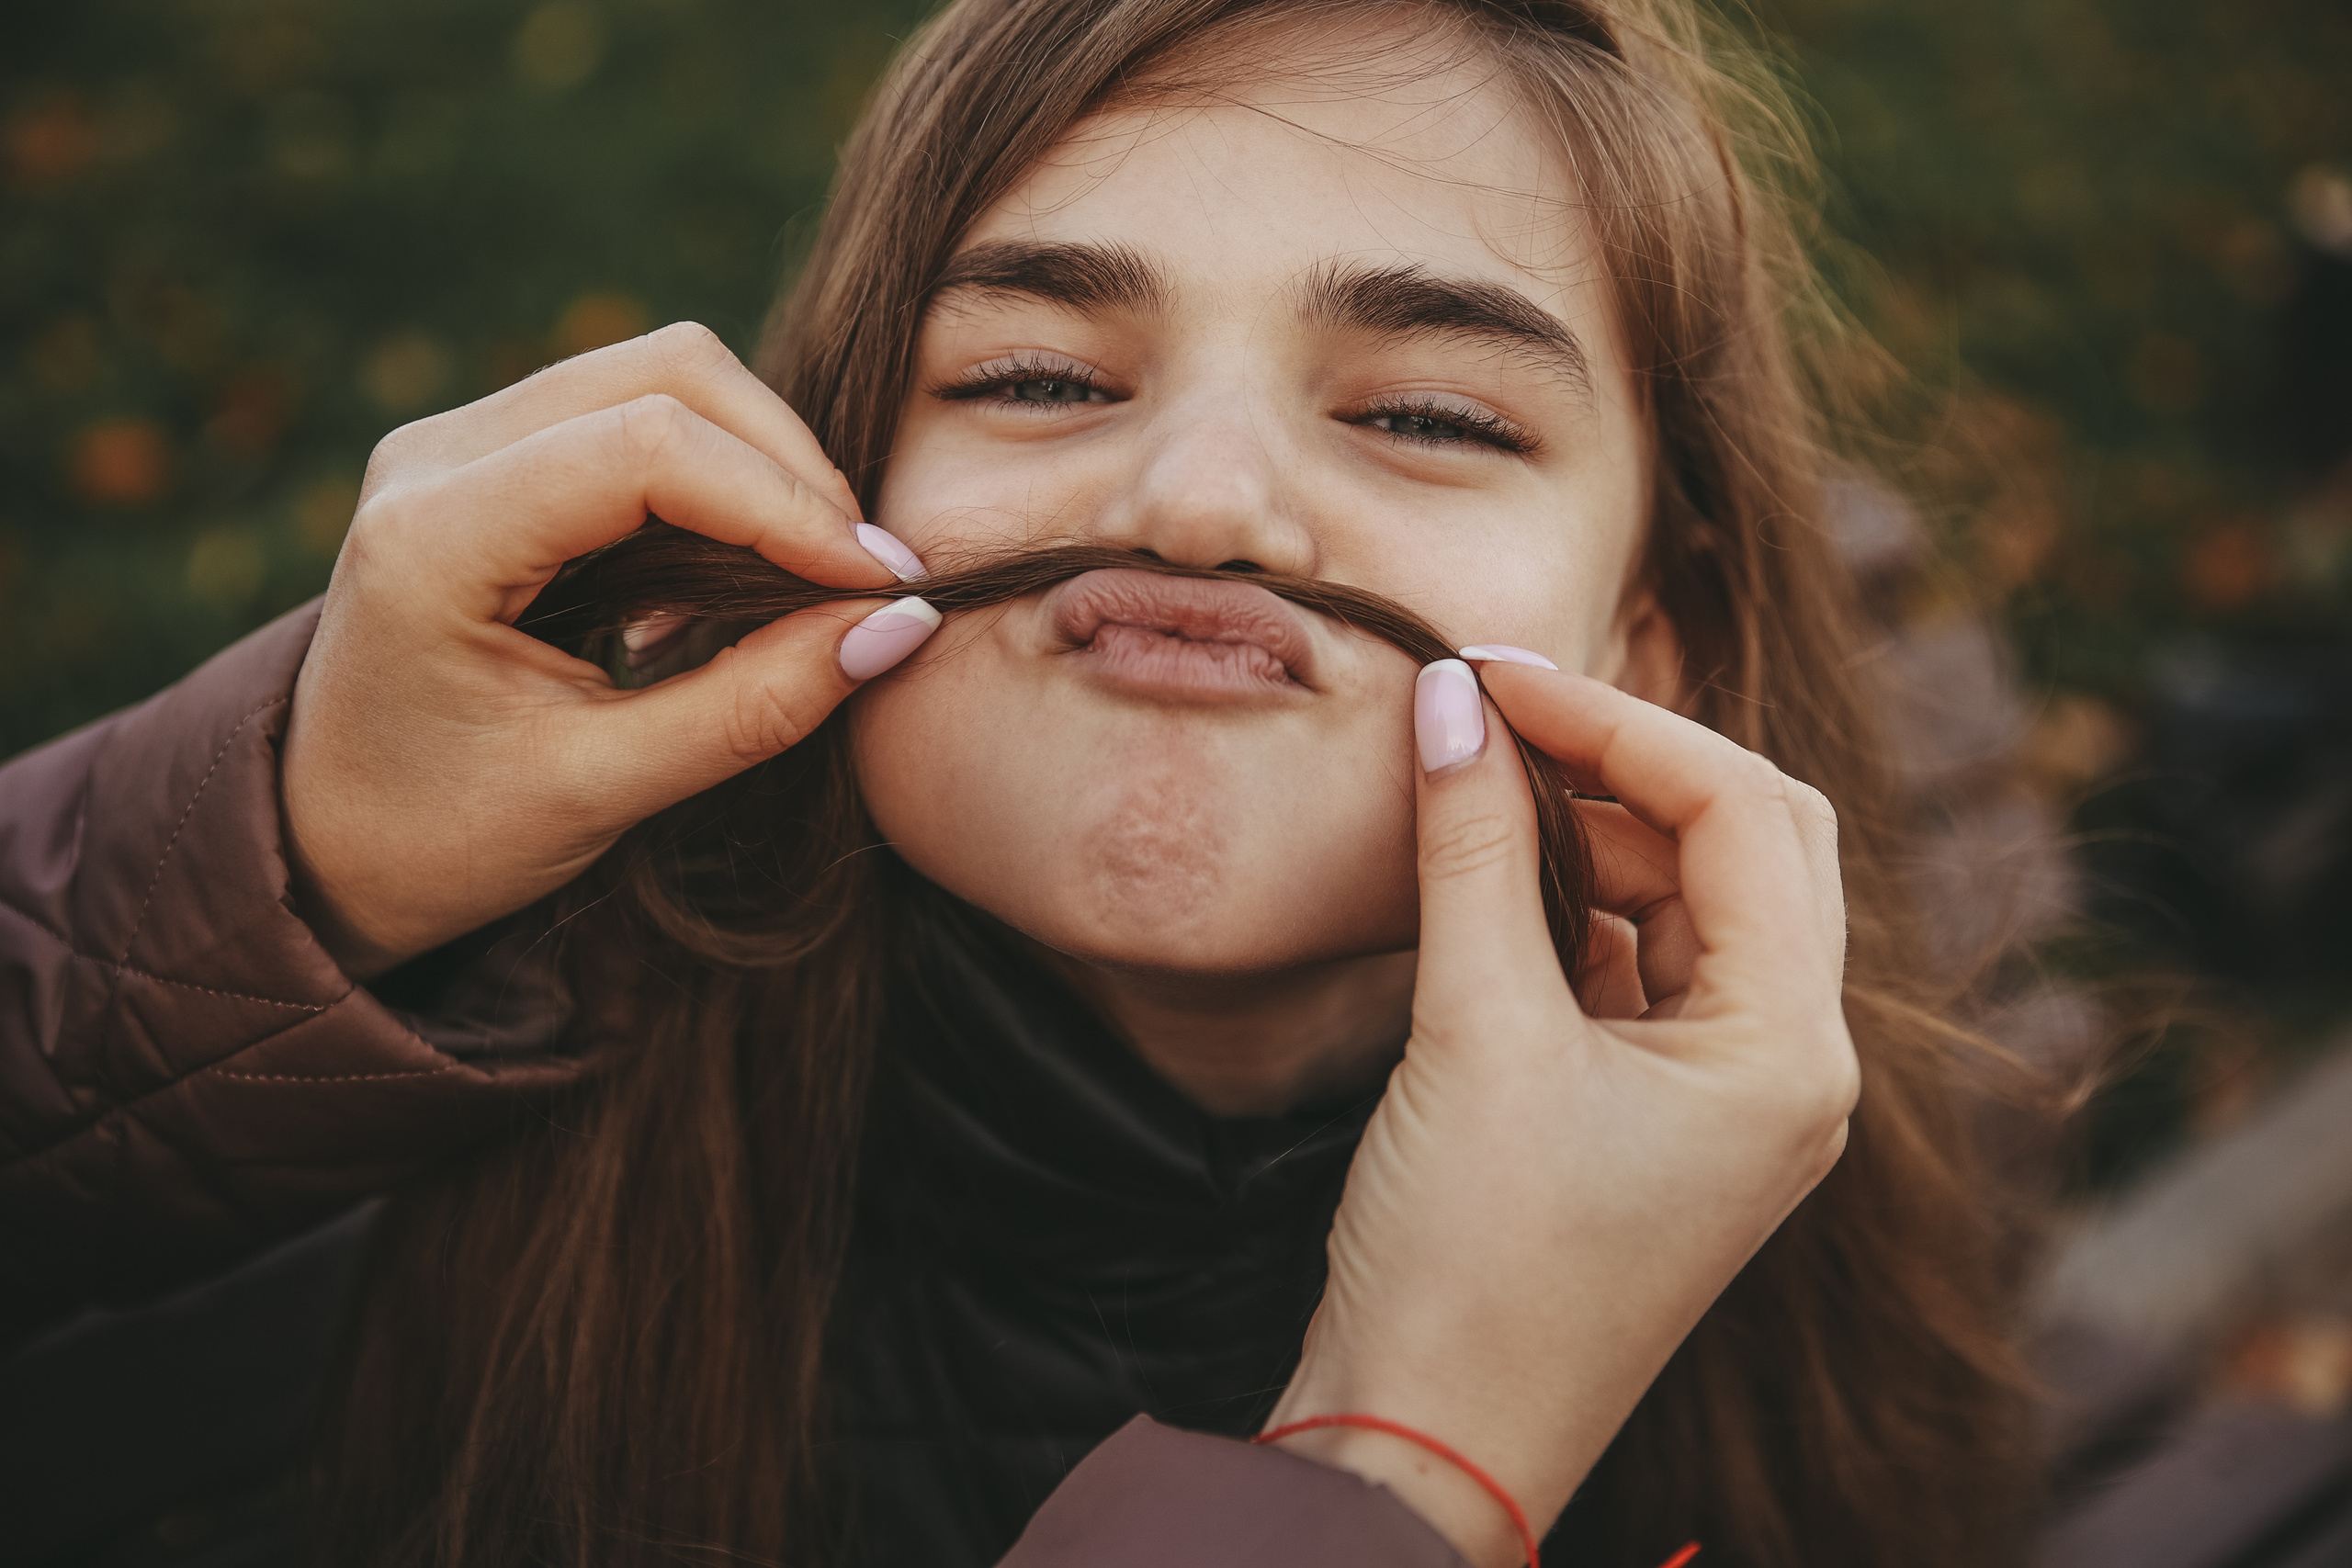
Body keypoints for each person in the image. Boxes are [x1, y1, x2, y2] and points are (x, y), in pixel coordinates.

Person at [0, 1, 2031, 1564]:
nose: (1200, 502)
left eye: (1427, 412)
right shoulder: (498, 1120)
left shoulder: (1818, 1291)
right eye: (1038, 376)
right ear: (802, 500)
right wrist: (292, 863)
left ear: (1645, 648)